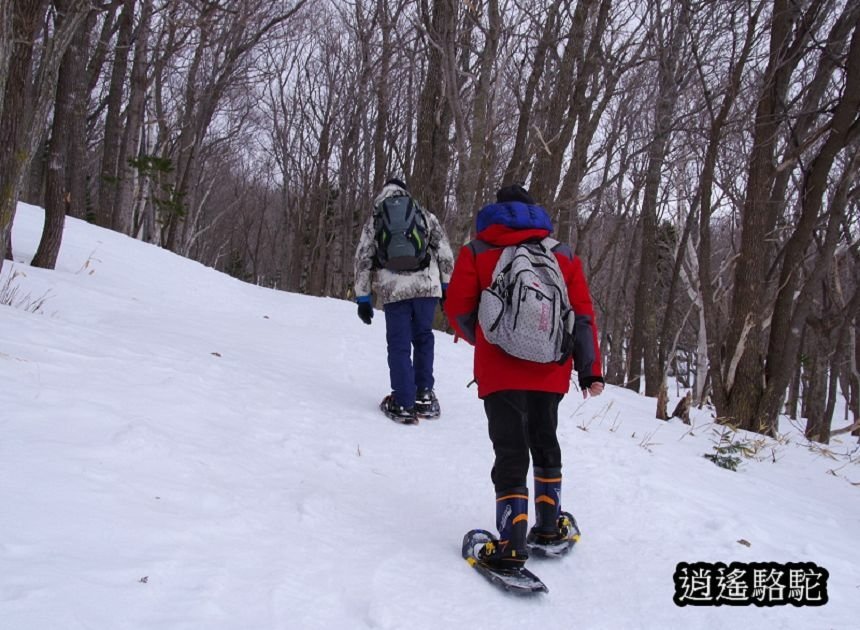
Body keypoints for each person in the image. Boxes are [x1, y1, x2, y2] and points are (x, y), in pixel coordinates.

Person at [444, 183, 604, 569]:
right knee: (544, 440)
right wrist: (589, 370)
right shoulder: (562, 254)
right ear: (535, 212)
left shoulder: (477, 250)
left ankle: (511, 543)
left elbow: (457, 310)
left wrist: (487, 340)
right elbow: (582, 314)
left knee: (510, 449)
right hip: (551, 369)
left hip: (499, 372)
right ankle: (549, 526)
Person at [354, 178, 455, 423]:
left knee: (399, 345)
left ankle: (403, 403)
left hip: (394, 290)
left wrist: (363, 298)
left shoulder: (376, 219)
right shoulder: (423, 213)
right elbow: (444, 251)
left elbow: (363, 259)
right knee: (423, 338)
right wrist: (446, 286)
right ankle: (425, 396)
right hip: (426, 288)